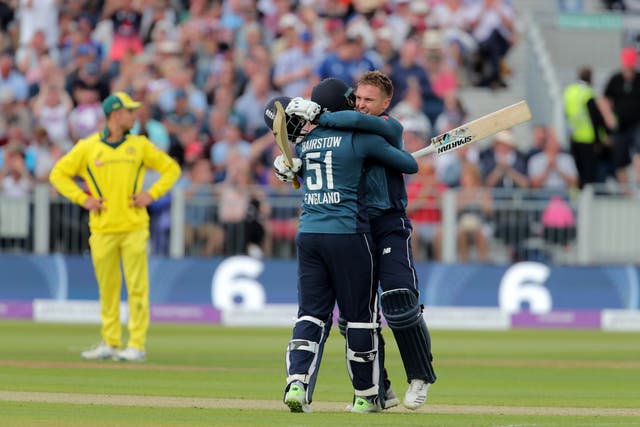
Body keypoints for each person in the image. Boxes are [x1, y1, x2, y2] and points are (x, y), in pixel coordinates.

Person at [285, 71, 437, 410]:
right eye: (358, 99)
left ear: (385, 104)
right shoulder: (346, 131)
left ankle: (420, 376)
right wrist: (293, 168)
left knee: (399, 300)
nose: (362, 105)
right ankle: (379, 388)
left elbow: (395, 135)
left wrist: (322, 117)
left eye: (369, 100)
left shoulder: (383, 127)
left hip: (388, 223)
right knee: (355, 316)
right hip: (356, 229)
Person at [49, 91, 181, 362]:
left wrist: (150, 195)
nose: (134, 115)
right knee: (107, 289)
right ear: (114, 115)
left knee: (137, 287)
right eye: (129, 111)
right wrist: (83, 199)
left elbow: (171, 169)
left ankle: (136, 344)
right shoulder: (88, 147)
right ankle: (110, 341)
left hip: (134, 226)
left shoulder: (140, 144)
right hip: (102, 229)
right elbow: (57, 174)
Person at [600, 46, 640, 190]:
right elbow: (604, 100)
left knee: (638, 149)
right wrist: (609, 118)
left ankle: (638, 181)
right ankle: (625, 192)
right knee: (620, 160)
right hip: (620, 126)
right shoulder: (615, 80)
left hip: (637, 124)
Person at [563, 66, 609, 188]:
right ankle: (587, 200)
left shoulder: (569, 91)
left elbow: (567, 114)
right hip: (588, 138)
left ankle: (579, 198)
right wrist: (600, 139)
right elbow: (595, 118)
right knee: (589, 173)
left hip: (574, 136)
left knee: (578, 170)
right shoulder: (587, 93)